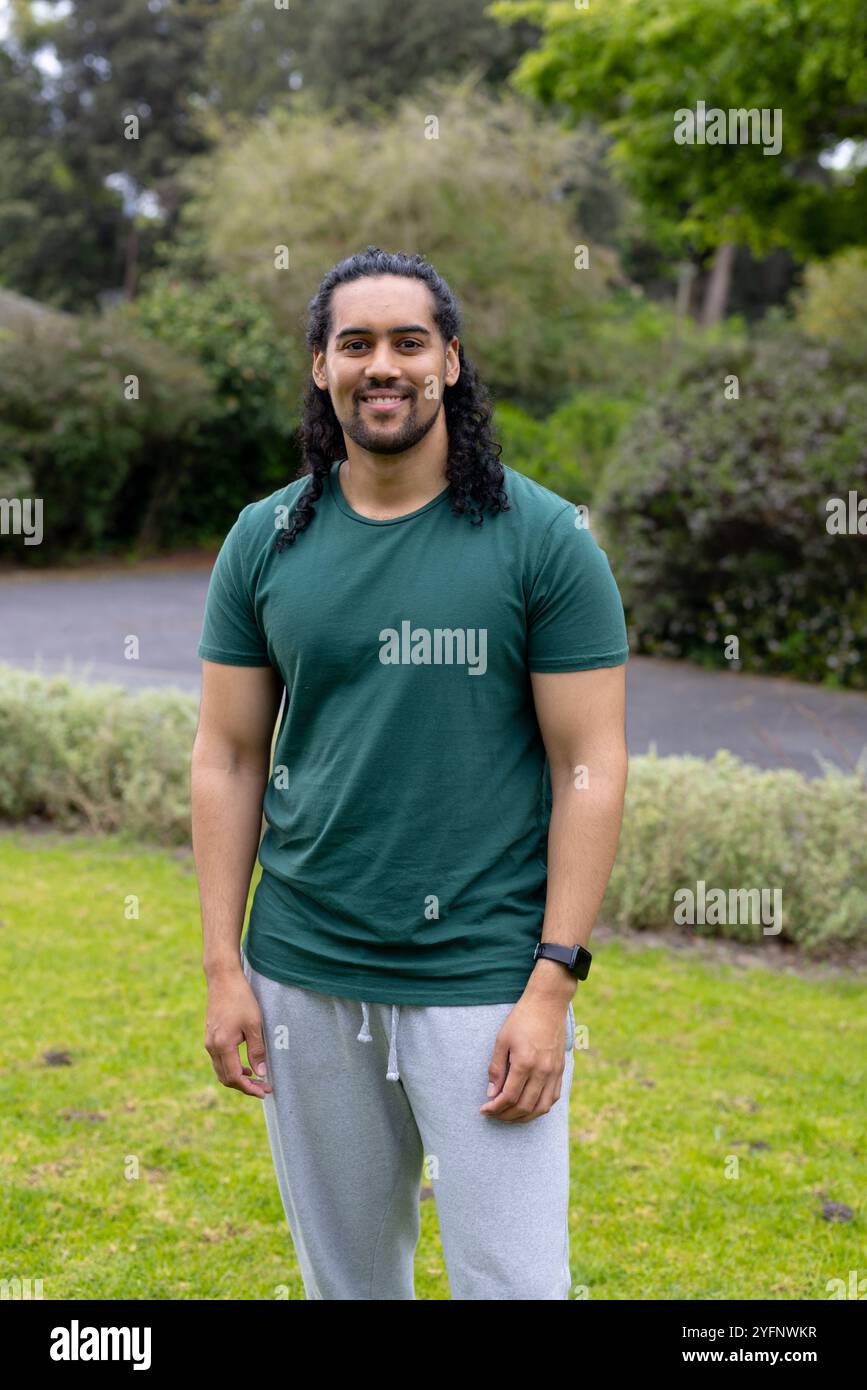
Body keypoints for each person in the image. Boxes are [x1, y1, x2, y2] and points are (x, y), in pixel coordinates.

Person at [192, 246, 629, 1300]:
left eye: (407, 342)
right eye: (356, 344)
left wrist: (552, 982)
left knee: (516, 1284)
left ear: (451, 361)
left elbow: (592, 764)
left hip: (484, 977)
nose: (380, 365)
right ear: (320, 367)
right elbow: (229, 753)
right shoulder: (265, 539)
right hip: (304, 967)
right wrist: (222, 966)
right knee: (348, 1285)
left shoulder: (544, 539)